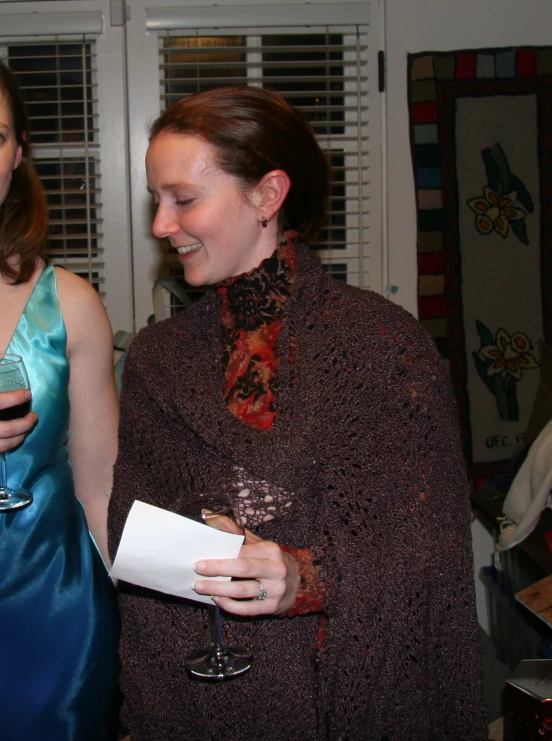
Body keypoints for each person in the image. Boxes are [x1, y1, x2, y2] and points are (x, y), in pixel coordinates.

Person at [108, 86, 488, 741]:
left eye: (184, 199)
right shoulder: (155, 358)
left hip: (346, 702)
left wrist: (303, 577)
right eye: (156, 201)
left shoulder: (382, 345)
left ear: (268, 194)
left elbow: (427, 555)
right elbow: (135, 539)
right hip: (203, 706)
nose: (161, 227)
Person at [0, 60, 120, 740]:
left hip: (58, 615)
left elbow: (101, 489)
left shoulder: (72, 302)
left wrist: (145, 628)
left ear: (18, 154)